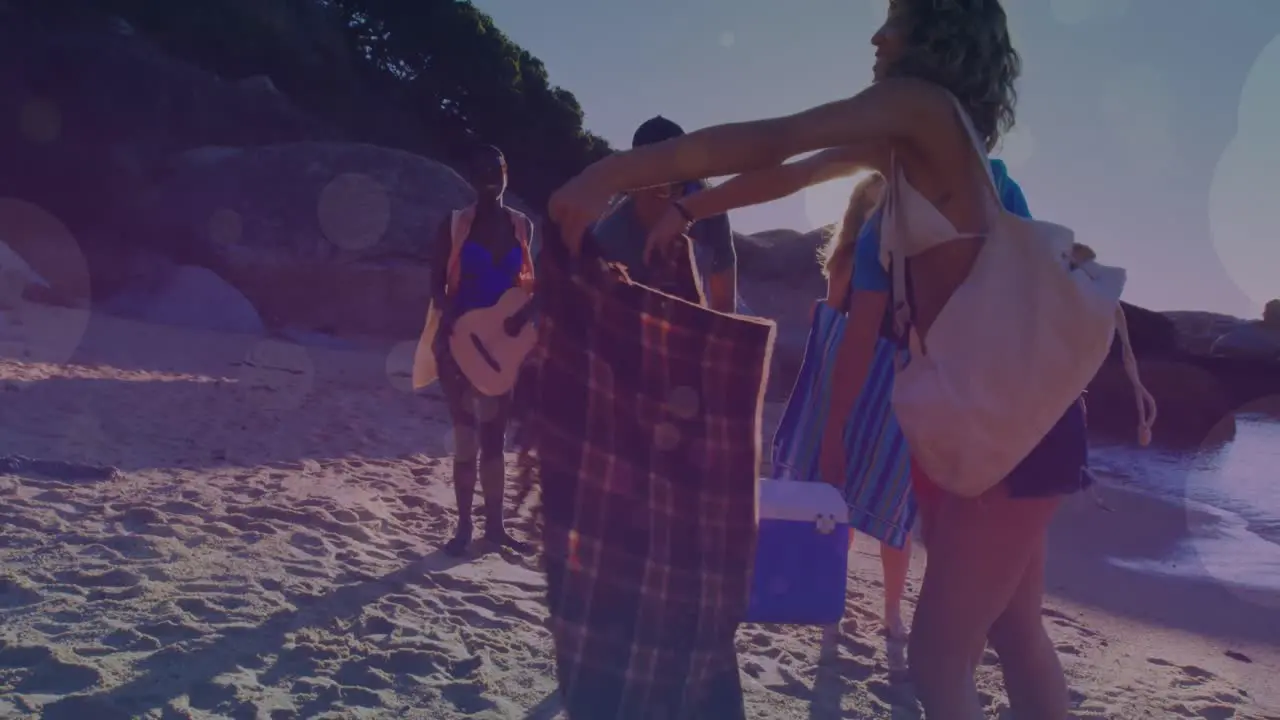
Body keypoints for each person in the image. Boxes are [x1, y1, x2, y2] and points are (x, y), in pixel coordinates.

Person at [547, 1, 1085, 717]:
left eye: (894, 18)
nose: (877, 35)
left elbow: (775, 138)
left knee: (938, 656)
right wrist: (686, 212)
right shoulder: (916, 137)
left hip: (1002, 422)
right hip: (1003, 413)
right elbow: (794, 173)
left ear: (934, 31)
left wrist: (611, 173)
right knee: (1015, 632)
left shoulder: (920, 107)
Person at [645, 166, 915, 639]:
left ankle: (892, 612)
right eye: (872, 204)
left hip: (893, 386)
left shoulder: (911, 262)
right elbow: (831, 327)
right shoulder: (848, 258)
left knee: (895, 499)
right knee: (836, 498)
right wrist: (819, 405)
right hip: (846, 377)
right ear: (859, 211)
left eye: (886, 204)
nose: (879, 214)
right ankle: (835, 595)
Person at [427, 144, 535, 558]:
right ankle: (463, 526)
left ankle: (495, 526)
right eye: (480, 170)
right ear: (471, 178)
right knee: (466, 436)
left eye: (496, 169)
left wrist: (527, 318)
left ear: (507, 173)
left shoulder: (523, 227)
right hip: (458, 343)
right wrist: (450, 313)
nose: (489, 177)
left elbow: (529, 286)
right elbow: (435, 282)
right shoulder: (454, 225)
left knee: (495, 437)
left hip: (501, 349)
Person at [592, 116, 738, 312]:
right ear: (634, 185)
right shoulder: (609, 239)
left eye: (681, 185)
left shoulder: (708, 211)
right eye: (658, 187)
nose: (672, 201)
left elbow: (724, 305)